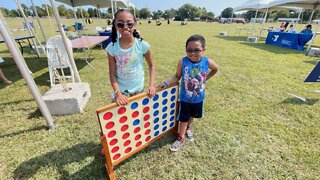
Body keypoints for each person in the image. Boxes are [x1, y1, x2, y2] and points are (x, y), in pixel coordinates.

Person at [158, 34, 218, 152]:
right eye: (189, 50)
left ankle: (188, 128)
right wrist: (165, 83)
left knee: (192, 115)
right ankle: (181, 138)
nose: (192, 53)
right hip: (185, 98)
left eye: (197, 50)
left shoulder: (207, 61)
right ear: (185, 50)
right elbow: (176, 77)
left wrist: (205, 79)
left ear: (204, 50)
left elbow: (215, 69)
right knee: (184, 118)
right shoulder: (183, 61)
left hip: (199, 98)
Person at [105, 9, 156, 106]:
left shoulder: (142, 45)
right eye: (120, 24)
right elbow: (112, 74)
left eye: (129, 24)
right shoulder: (111, 48)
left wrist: (151, 85)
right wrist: (118, 93)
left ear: (135, 23)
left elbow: (151, 65)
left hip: (138, 92)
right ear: (115, 24)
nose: (125, 27)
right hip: (121, 93)